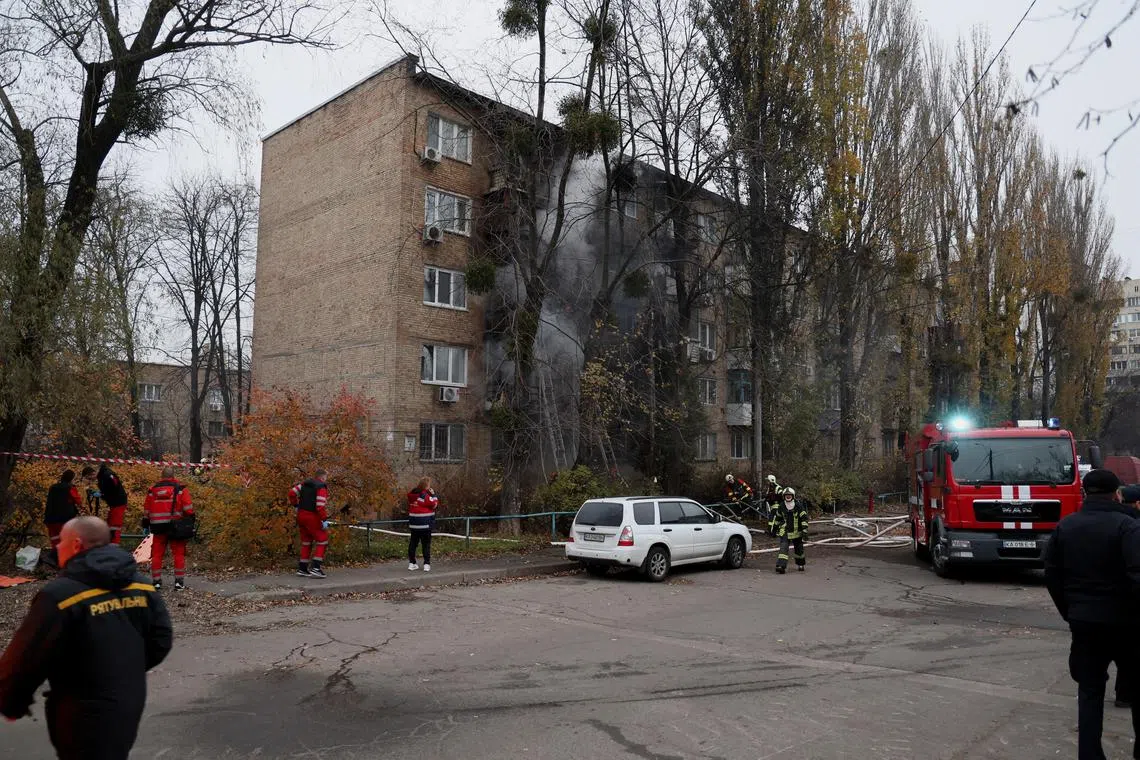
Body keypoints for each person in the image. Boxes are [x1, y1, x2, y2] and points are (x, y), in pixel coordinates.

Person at [0, 516, 172, 760]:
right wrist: (125, 670)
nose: (56, 547)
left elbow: (25, 658)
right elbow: (161, 639)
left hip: (79, 710)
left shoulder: (60, 595)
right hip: (127, 700)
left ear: (77, 545)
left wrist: (11, 702)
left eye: (61, 542)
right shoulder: (141, 585)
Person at [1044, 469, 1140, 760]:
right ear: (1116, 494)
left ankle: (1089, 754)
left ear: (1084, 492)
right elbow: (1137, 575)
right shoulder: (1128, 527)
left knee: (1089, 691)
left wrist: (1070, 611)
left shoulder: (1066, 527)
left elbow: (1052, 575)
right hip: (1127, 625)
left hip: (1085, 623)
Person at [143, 466, 195, 591]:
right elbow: (188, 510)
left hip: (157, 527)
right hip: (175, 527)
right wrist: (191, 518)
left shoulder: (152, 490)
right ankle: (179, 582)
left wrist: (146, 523)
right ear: (173, 476)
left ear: (162, 476)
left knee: (156, 554)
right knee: (178, 554)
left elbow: (146, 510)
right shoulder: (181, 489)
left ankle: (156, 582)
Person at [289, 469, 330, 578]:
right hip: (312, 516)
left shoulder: (304, 484)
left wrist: (296, 505)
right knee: (322, 540)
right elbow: (320, 506)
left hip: (301, 515)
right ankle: (316, 568)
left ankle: (302, 568)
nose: (326, 480)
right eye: (326, 478)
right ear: (322, 477)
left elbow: (291, 493)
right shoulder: (321, 486)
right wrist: (324, 519)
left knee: (306, 542)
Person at [81, 464, 130, 545]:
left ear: (92, 473)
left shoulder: (106, 475)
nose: (91, 480)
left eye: (89, 478)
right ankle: (110, 544)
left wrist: (103, 494)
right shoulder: (102, 476)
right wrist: (101, 493)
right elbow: (109, 488)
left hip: (118, 502)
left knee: (115, 525)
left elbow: (113, 487)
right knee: (110, 524)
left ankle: (114, 546)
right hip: (114, 503)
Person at [770, 487, 809, 574]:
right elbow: (778, 519)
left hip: (797, 532)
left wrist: (804, 530)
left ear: (793, 496)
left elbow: (804, 518)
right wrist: (774, 530)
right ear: (784, 496)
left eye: (789, 495)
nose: (788, 496)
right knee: (783, 548)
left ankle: (800, 564)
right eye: (786, 495)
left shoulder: (798, 505)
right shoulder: (781, 506)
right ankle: (781, 566)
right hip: (785, 531)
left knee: (799, 549)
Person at [44, 469, 83, 549]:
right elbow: (78, 501)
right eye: (74, 479)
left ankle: (56, 559)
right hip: (65, 520)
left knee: (55, 542)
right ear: (71, 479)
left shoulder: (53, 487)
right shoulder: (70, 488)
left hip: (51, 520)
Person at [407, 477, 438, 572]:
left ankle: (412, 563)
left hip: (414, 524)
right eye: (429, 485)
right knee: (426, 544)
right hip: (425, 524)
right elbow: (434, 504)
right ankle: (426, 564)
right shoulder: (424, 496)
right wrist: (434, 494)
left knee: (413, 543)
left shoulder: (412, 495)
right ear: (426, 486)